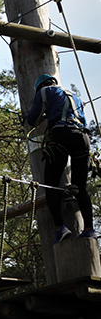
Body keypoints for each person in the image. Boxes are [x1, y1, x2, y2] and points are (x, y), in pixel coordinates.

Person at [26, 73, 96, 243]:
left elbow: (32, 120)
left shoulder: (44, 92)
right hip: (83, 138)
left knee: (51, 185)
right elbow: (83, 121)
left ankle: (60, 228)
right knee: (80, 187)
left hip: (61, 136)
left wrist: (40, 116)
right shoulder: (76, 98)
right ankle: (89, 229)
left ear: (40, 86)